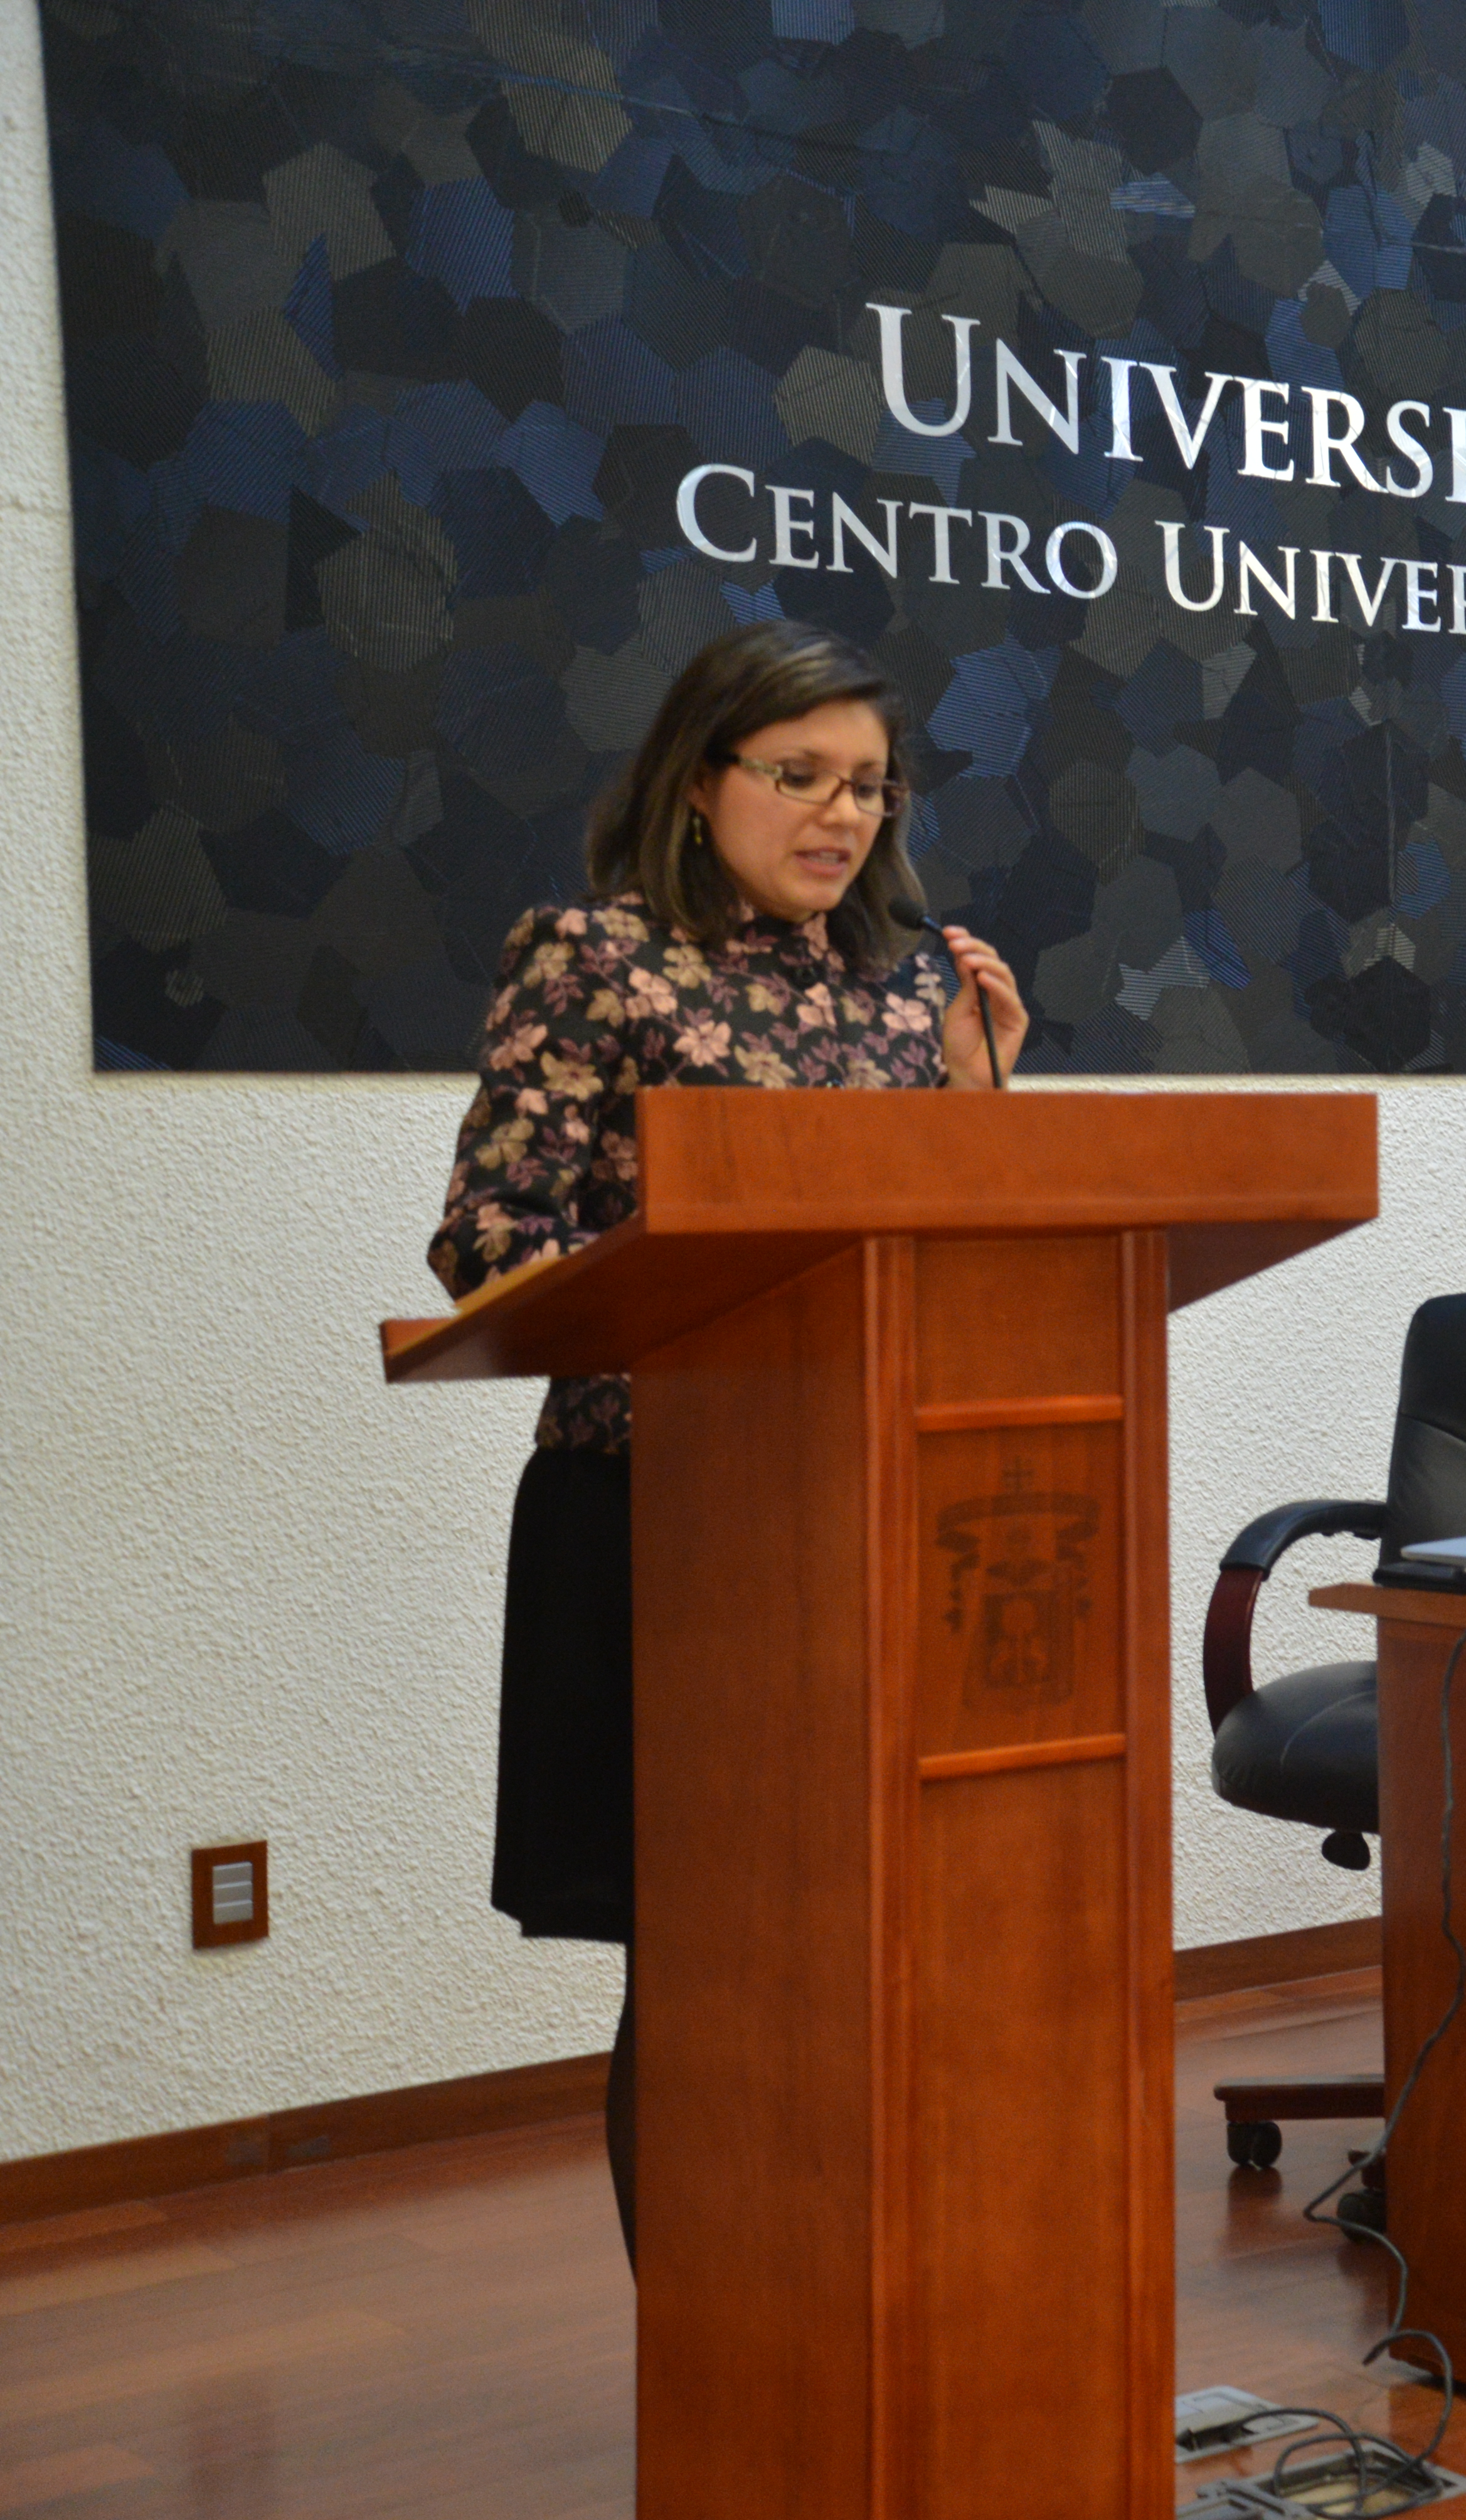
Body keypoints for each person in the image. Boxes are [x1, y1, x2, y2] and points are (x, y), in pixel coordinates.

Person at [425, 620, 1028, 2261]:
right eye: (802, 777)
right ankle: (713, 2348)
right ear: (703, 785)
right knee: (702, 1957)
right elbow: (492, 1240)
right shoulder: (595, 959)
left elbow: (948, 1270)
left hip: (868, 1511)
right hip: (666, 1519)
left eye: (870, 789)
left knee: (863, 1935)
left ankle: (848, 2307)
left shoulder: (907, 998)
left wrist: (978, 1122)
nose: (843, 816)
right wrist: (696, 1275)